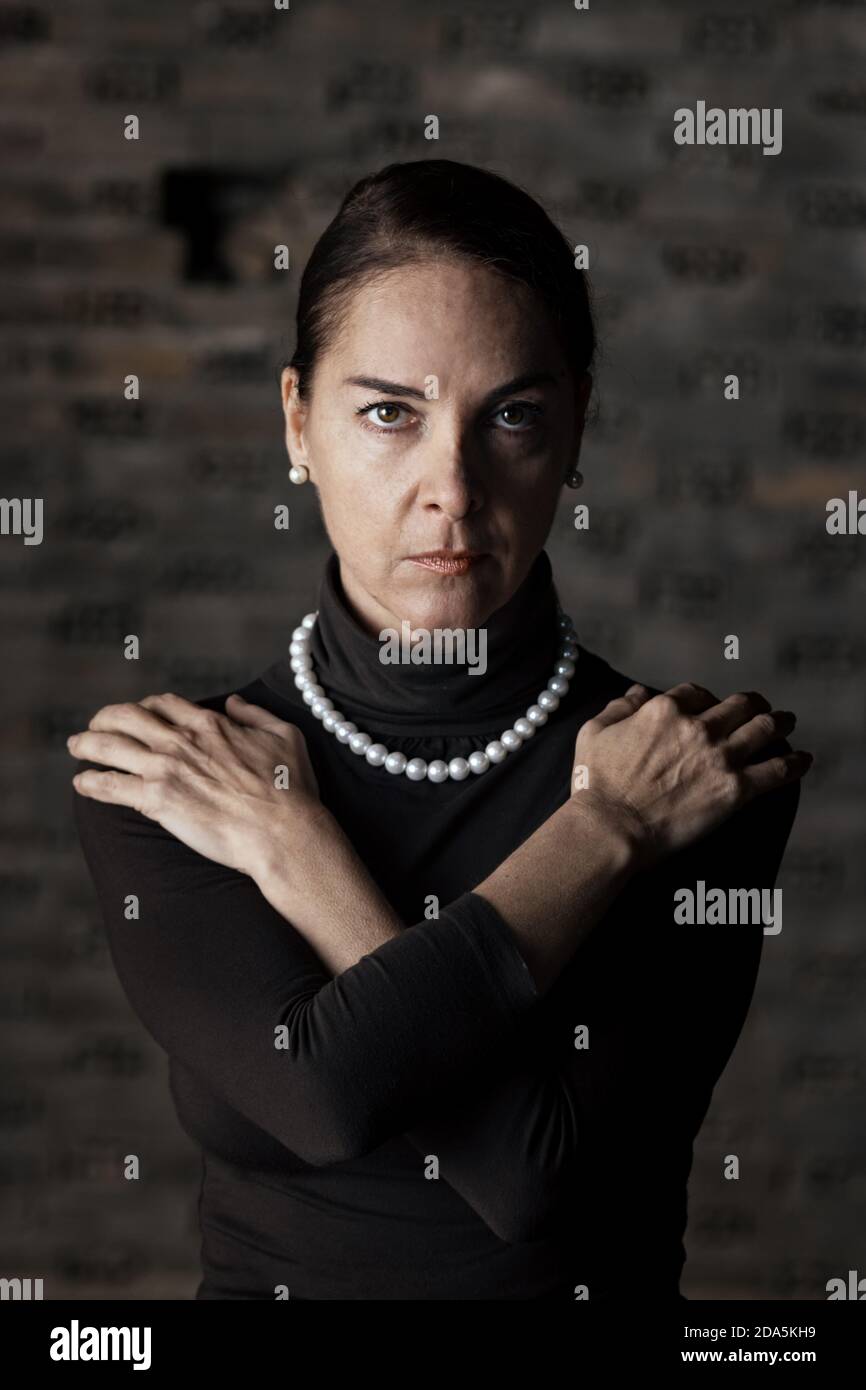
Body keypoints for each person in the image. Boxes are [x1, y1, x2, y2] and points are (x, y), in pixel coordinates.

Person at [70, 159, 811, 1301]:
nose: (450, 489)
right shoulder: (178, 774)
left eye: (510, 414)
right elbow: (319, 1095)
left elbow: (529, 1176)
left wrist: (295, 853)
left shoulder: (693, 770)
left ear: (575, 431)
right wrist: (600, 833)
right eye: (387, 413)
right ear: (296, 423)